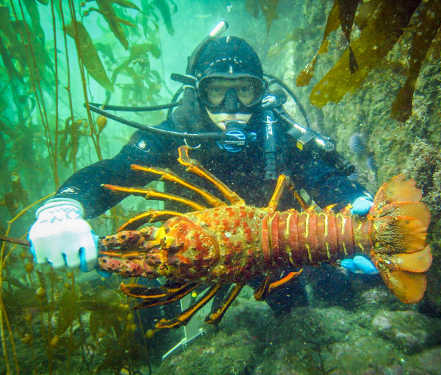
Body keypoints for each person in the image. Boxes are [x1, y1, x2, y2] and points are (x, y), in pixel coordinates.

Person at [28, 33, 376, 315]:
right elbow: (119, 170)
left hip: (279, 253)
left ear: (260, 92)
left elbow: (317, 173)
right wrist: (65, 205)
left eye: (243, 90)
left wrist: (354, 199)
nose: (231, 106)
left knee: (311, 304)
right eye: (217, 91)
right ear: (199, 91)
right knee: (144, 297)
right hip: (187, 260)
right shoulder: (172, 136)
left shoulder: (274, 133)